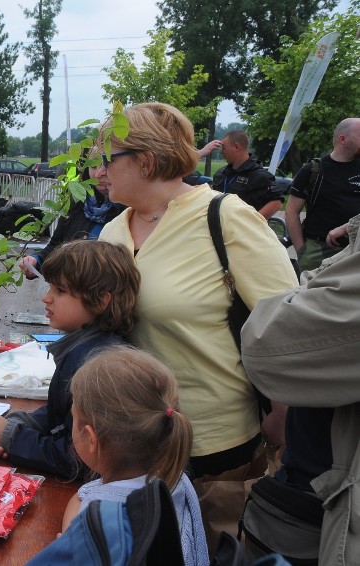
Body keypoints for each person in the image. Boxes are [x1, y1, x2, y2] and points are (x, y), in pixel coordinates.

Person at [95, 102, 298, 550]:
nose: (97, 171)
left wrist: (283, 415)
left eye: (106, 159)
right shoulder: (112, 232)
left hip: (214, 449)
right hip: (133, 443)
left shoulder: (224, 218)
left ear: (145, 161)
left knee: (213, 552)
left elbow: (288, 326)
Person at [241, 212, 360, 566]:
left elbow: (266, 343)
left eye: (110, 158)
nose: (103, 171)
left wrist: (306, 291)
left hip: (323, 509)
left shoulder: (231, 215)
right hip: (312, 493)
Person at [0, 239, 140, 479]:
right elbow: (61, 413)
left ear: (101, 301)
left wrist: (14, 438)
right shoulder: (86, 348)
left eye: (60, 291)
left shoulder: (98, 370)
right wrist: (22, 423)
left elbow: (82, 459)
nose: (46, 298)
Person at [61, 346, 209, 566]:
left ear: (91, 439)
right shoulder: (173, 477)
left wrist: (71, 546)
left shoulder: (106, 525)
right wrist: (72, 537)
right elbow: (84, 495)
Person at [18, 157, 125, 278]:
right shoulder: (77, 204)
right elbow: (55, 248)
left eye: (107, 165)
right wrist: (36, 261)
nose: (98, 173)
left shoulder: (130, 212)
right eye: (93, 166)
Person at [285, 117, 360, 271]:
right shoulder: (313, 170)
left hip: (356, 247)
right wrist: (302, 251)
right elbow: (291, 211)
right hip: (318, 251)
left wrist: (346, 228)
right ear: (342, 139)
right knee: (311, 294)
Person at [210, 130, 283, 219]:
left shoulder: (260, 176)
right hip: (220, 229)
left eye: (224, 148)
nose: (221, 152)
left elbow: (276, 203)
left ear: (236, 147)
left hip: (243, 231)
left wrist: (251, 223)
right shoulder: (221, 173)